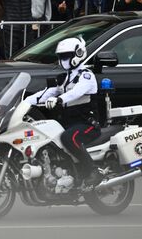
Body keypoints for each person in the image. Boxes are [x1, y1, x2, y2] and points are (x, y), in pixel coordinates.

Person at [25, 37, 103, 188]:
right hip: (69, 122)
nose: (63, 60)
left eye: (66, 56)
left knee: (69, 138)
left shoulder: (86, 76)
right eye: (61, 57)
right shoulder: (64, 78)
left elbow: (76, 93)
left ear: (78, 54)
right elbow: (46, 93)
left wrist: (59, 99)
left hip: (87, 123)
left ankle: (93, 171)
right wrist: (26, 101)